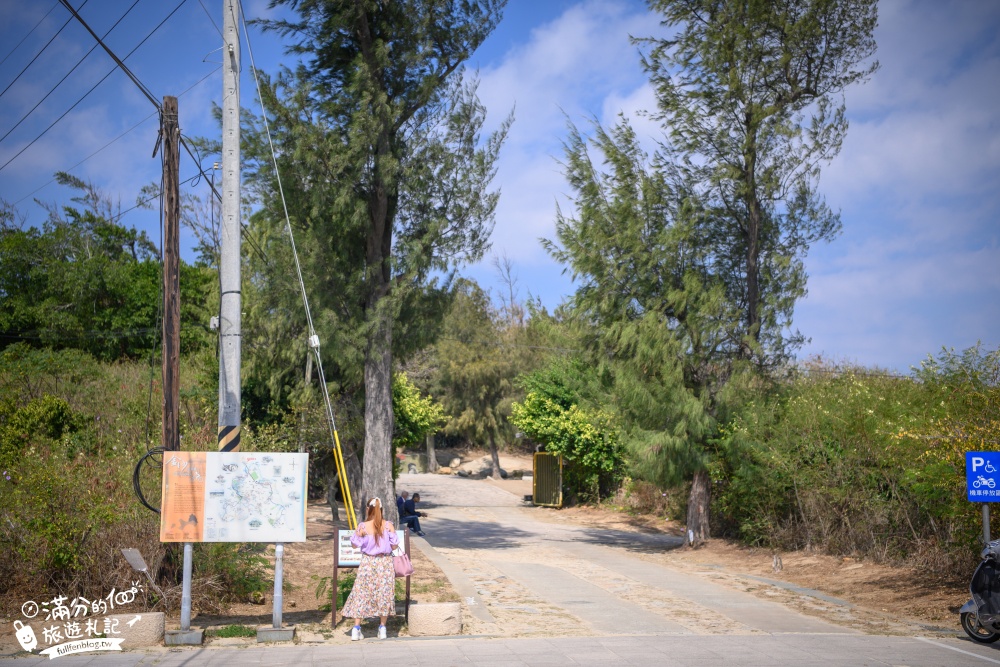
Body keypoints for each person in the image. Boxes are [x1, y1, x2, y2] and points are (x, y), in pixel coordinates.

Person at [342, 497, 399, 640]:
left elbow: (355, 545)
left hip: (368, 562)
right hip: (385, 562)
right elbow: (394, 546)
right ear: (381, 509)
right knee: (384, 593)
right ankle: (382, 628)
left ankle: (356, 628)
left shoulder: (363, 526)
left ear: (369, 509)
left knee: (361, 593)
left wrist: (360, 536)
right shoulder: (388, 526)